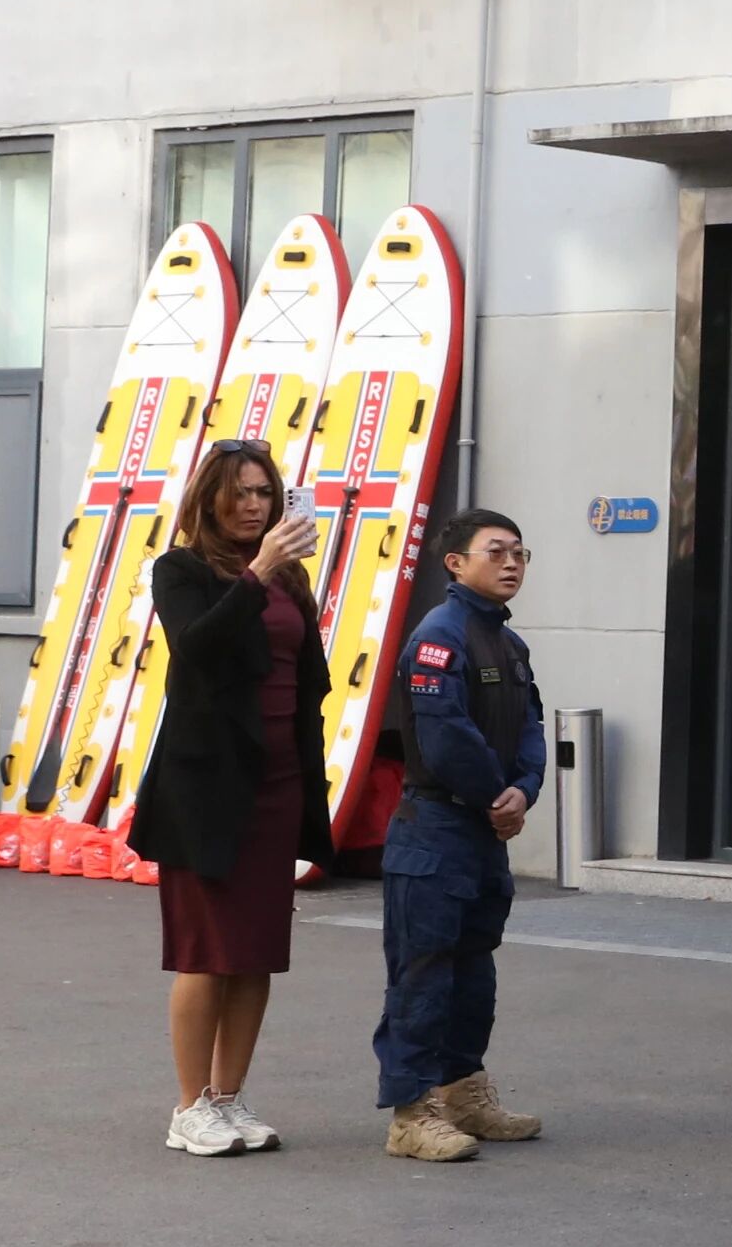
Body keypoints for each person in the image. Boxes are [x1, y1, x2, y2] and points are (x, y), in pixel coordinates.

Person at [133, 437, 333, 1159]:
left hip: (277, 782)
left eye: (266, 494)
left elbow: (308, 677)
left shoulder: (293, 580)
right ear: (210, 498)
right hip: (204, 787)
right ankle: (189, 1107)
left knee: (255, 952)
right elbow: (199, 647)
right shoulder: (180, 570)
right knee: (205, 951)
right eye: (242, 493)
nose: (255, 505)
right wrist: (257, 573)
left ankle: (228, 1096)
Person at [373, 509, 548, 1161]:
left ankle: (464, 1094)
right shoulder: (440, 636)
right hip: (437, 828)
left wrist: (523, 790)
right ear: (455, 562)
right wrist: (492, 798)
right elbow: (445, 735)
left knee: (475, 971)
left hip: (484, 832)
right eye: (497, 551)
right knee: (423, 974)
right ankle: (412, 1111)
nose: (512, 563)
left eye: (521, 552)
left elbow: (531, 728)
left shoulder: (508, 643)